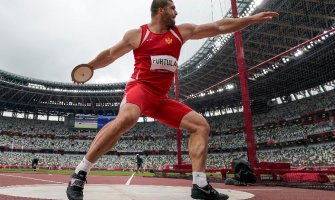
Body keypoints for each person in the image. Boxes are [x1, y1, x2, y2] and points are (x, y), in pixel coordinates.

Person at [66, 1, 278, 199]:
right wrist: (90, 66)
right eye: (172, 7)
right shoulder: (137, 34)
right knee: (127, 119)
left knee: (201, 126)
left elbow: (219, 26)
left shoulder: (181, 32)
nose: (176, 12)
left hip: (160, 99)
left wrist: (250, 19)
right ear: (161, 10)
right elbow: (111, 54)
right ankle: (79, 174)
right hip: (139, 90)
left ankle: (200, 184)